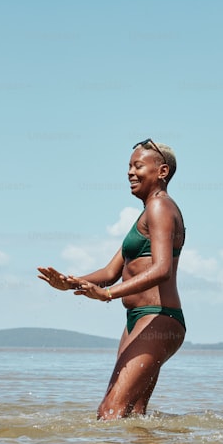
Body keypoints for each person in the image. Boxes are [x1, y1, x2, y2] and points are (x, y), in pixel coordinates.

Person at [37, 139, 186, 420]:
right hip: (141, 319)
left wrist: (108, 295)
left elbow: (162, 268)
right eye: (128, 166)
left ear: (162, 171)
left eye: (138, 166)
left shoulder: (160, 208)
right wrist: (69, 283)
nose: (130, 172)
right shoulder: (147, 213)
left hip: (158, 318)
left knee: (110, 411)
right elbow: (109, 272)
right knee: (133, 414)